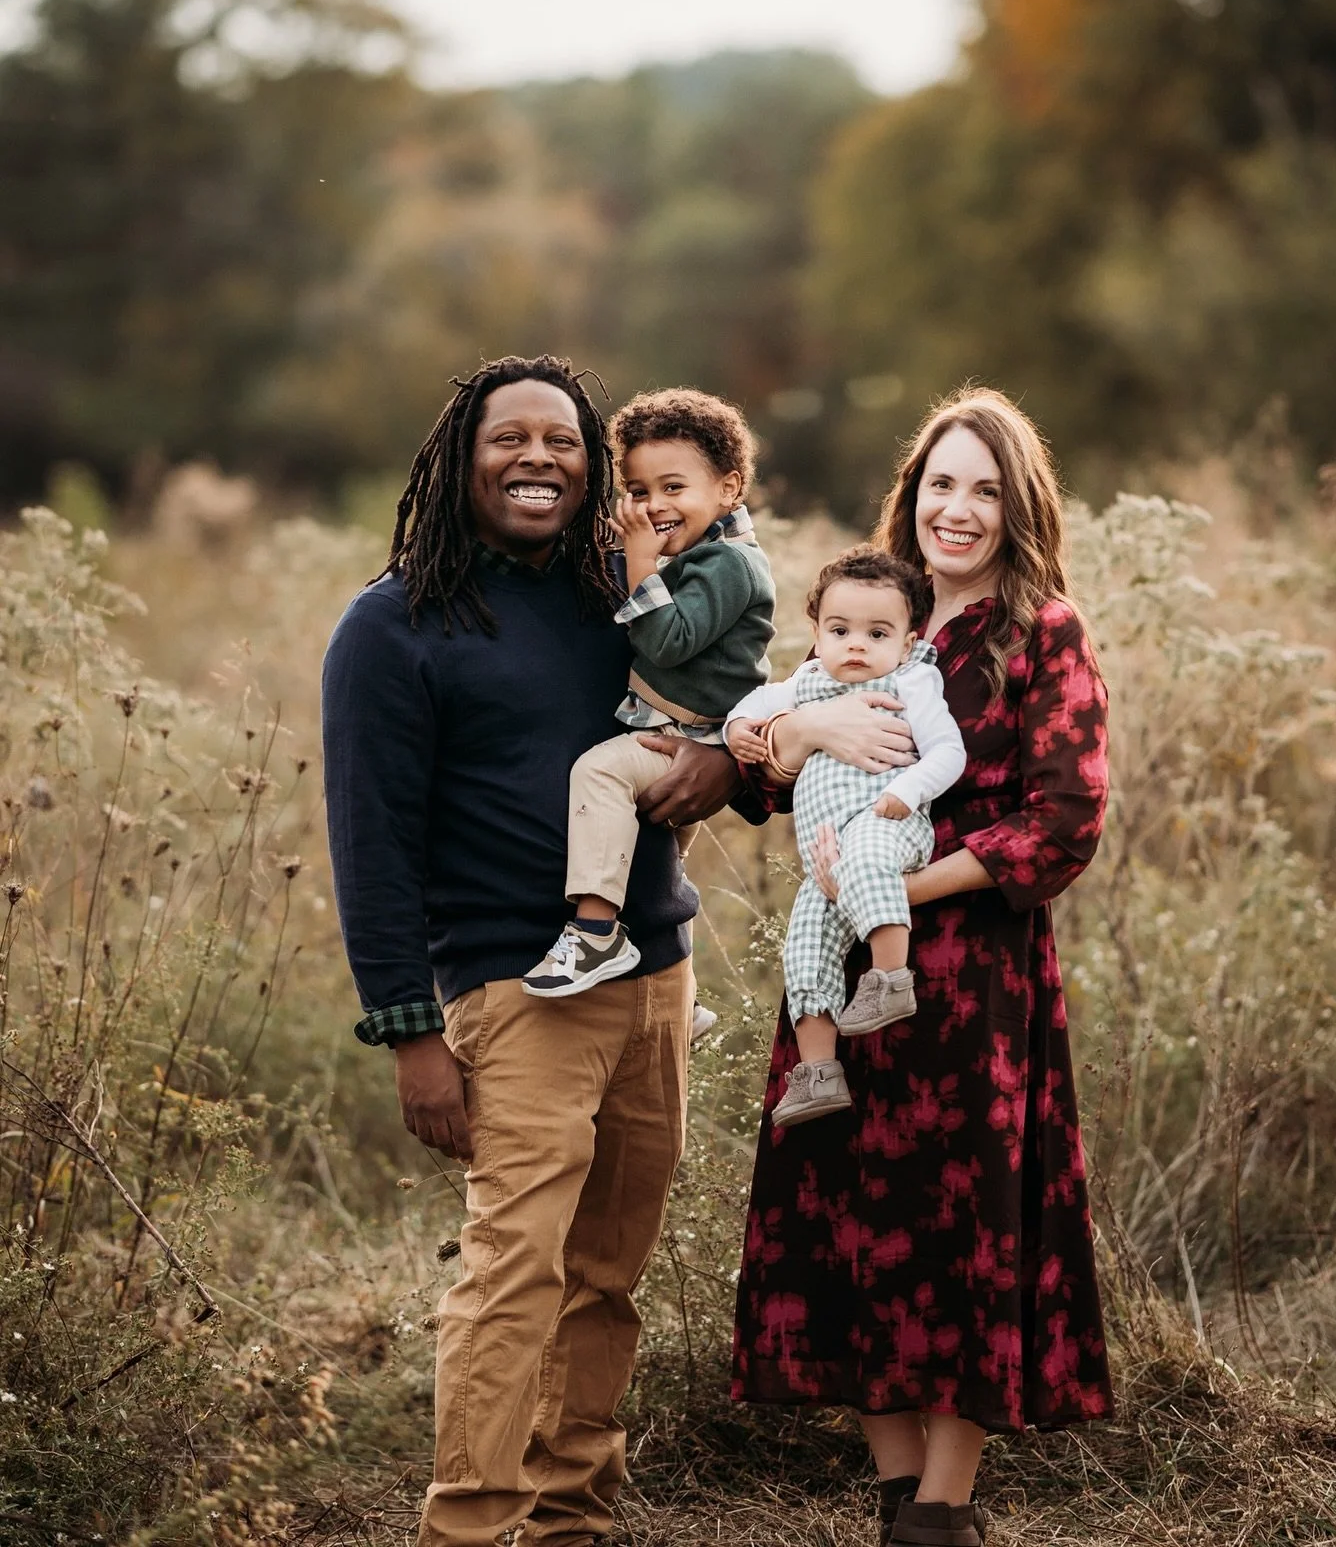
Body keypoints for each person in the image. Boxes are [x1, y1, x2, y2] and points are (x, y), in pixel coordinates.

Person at [321, 355, 743, 1547]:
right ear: (463, 459)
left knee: (607, 1281)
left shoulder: (622, 595)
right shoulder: (393, 626)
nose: (539, 460)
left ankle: (572, 1521)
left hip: (656, 981)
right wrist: (411, 1030)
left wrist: (730, 767)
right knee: (515, 1280)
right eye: (510, 439)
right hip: (519, 997)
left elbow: (720, 709)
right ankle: (469, 1524)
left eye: (563, 441)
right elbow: (371, 841)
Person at [730, 388, 1114, 1547]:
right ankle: (898, 1496)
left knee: (961, 1235)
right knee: (848, 1211)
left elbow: (1066, 821)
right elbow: (756, 767)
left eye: (986, 489)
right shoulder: (875, 611)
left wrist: (897, 883)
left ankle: (943, 1514)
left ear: (1019, 506)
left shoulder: (1041, 631)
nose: (959, 509)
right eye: (942, 483)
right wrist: (803, 736)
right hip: (841, 971)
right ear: (912, 492)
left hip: (972, 983)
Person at [522, 388, 774, 1017]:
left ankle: (595, 934)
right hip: (687, 728)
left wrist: (638, 561)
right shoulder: (702, 553)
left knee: (599, 771)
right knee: (655, 867)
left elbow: (667, 639)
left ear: (729, 489)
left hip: (693, 738)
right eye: (637, 491)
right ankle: (680, 999)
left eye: (673, 487)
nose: (654, 505)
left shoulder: (730, 566)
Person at [726, 548, 966, 1126]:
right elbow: (751, 705)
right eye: (840, 630)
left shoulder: (913, 680)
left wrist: (906, 794)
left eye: (877, 632)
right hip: (824, 856)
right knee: (804, 943)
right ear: (817, 632)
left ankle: (890, 978)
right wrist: (739, 731)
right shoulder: (807, 681)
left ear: (908, 640)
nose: (856, 645)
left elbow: (949, 752)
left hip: (888, 824)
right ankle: (817, 1073)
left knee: (866, 861)